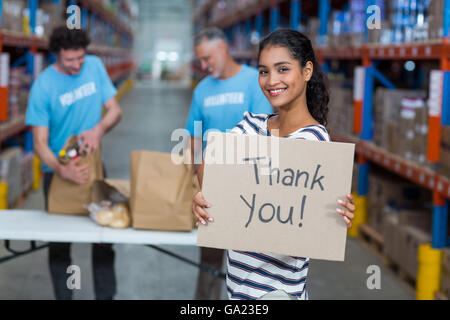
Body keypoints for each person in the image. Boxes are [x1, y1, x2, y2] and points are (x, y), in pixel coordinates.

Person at [192, 29, 356, 300]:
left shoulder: (313, 139)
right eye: (264, 71)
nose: (271, 81)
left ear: (306, 71)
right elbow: (209, 167)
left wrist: (328, 213)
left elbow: (299, 225)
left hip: (280, 294)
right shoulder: (252, 123)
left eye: (283, 69)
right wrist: (205, 194)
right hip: (237, 291)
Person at [25, 26, 122, 300]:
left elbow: (115, 110)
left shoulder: (94, 66)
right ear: (57, 55)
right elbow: (40, 143)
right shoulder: (43, 86)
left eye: (81, 57)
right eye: (70, 60)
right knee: (59, 246)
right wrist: (61, 169)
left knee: (104, 239)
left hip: (96, 169)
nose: (78, 64)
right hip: (58, 174)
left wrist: (98, 129)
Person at [185, 27, 273, 299]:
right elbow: (193, 138)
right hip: (211, 188)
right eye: (200, 60)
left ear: (223, 48)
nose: (203, 65)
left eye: (207, 58)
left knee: (249, 264)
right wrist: (191, 176)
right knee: (210, 264)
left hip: (250, 188)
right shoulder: (202, 90)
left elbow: (264, 135)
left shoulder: (254, 82)